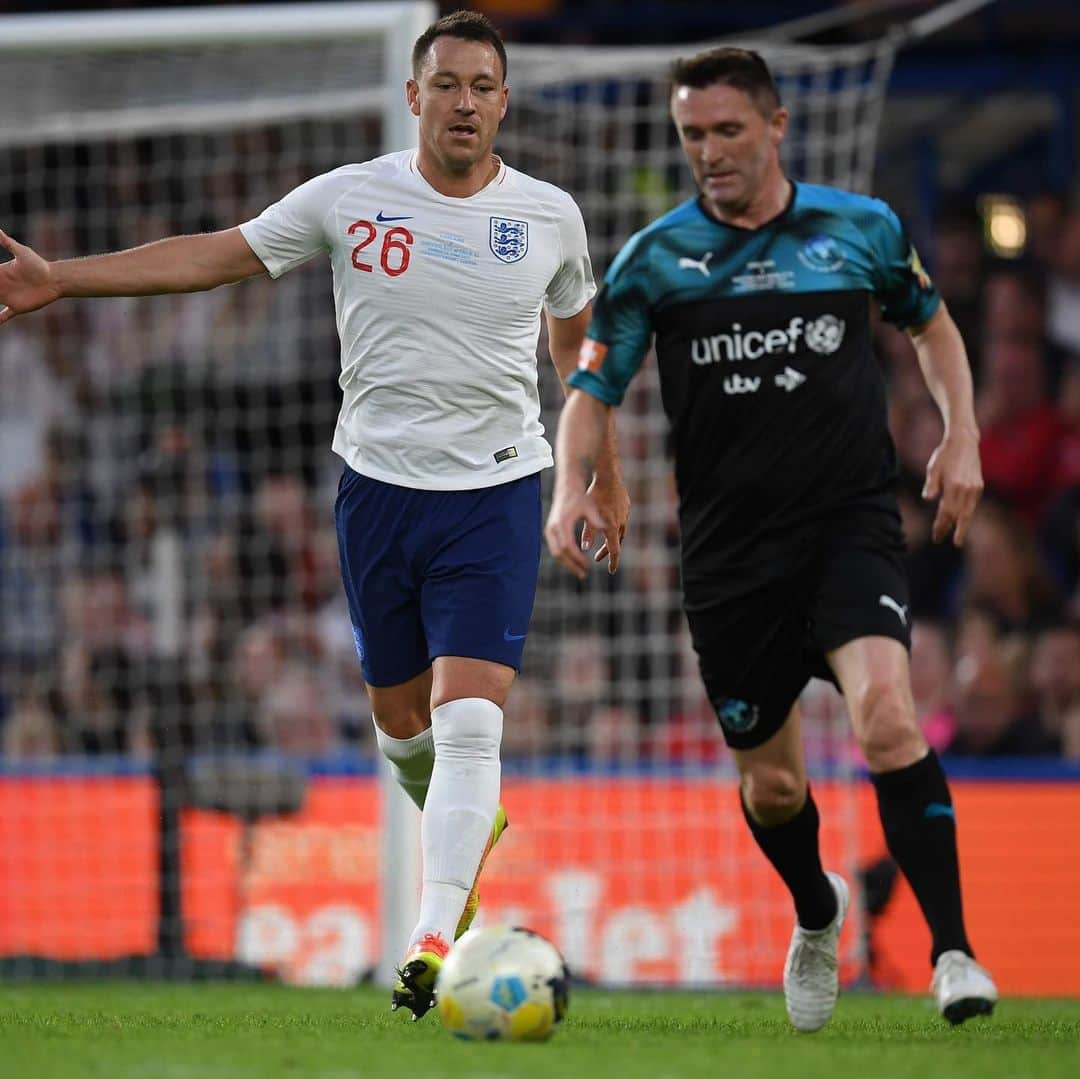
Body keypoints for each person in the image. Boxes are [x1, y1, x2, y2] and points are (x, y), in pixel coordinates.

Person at [0, 10, 629, 1019]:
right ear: (414, 96)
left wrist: (601, 468)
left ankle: (430, 936)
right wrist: (62, 279)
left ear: (504, 102)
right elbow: (218, 255)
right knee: (400, 725)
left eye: (484, 84)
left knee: (471, 722)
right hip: (376, 492)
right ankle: (464, 833)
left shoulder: (550, 215)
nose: (465, 100)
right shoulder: (349, 198)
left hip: (498, 492)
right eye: (448, 83)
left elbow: (575, 352)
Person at [545, 47, 997, 1030]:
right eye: (693, 135)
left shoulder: (859, 228)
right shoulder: (654, 259)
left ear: (776, 125)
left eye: (727, 131)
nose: (708, 152)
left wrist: (961, 429)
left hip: (849, 526)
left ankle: (953, 949)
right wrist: (564, 487)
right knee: (777, 781)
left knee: (886, 715)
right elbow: (591, 394)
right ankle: (817, 908)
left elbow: (934, 328)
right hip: (729, 557)